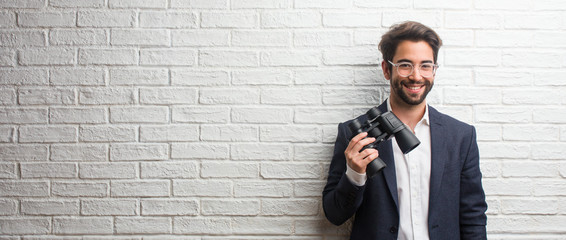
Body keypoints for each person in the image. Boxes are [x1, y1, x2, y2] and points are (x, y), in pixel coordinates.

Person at [322, 21, 487, 240]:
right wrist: (354, 174)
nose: (416, 76)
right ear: (386, 69)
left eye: (425, 65)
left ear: (434, 70)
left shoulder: (460, 137)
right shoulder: (354, 134)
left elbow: (473, 216)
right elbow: (335, 215)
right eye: (405, 65)